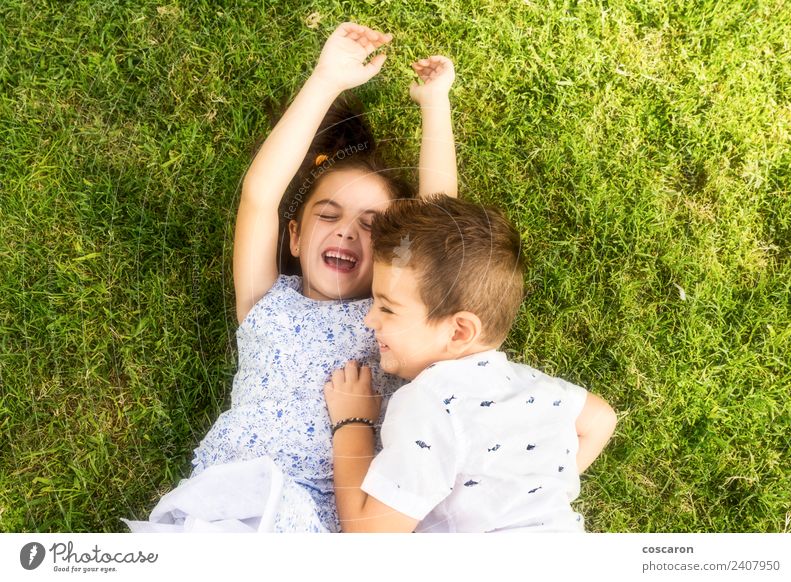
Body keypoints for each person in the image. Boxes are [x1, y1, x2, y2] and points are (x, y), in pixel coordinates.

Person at [123, 23, 458, 532]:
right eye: (328, 215)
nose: (347, 232)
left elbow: (441, 228)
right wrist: (326, 80)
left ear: (394, 256)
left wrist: (436, 106)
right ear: (295, 238)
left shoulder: (391, 323)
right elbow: (260, 193)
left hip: (331, 522)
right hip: (238, 504)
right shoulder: (264, 299)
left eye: (370, 227)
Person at [324, 195, 618, 532]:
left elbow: (368, 534)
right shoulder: (534, 385)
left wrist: (352, 423)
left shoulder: (429, 402)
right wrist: (537, 493)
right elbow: (601, 419)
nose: (368, 319)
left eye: (387, 308)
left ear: (460, 330)